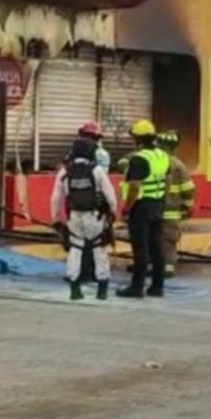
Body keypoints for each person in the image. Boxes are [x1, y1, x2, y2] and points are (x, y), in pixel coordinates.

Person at [50, 139, 118, 301]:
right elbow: (110, 195)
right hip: (95, 216)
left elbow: (55, 198)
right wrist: (113, 213)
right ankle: (102, 290)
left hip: (74, 216)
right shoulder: (97, 170)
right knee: (98, 249)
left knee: (75, 249)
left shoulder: (65, 171)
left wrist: (55, 218)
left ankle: (75, 289)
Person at [117, 119, 170, 299]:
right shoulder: (163, 156)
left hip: (141, 208)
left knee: (140, 249)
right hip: (157, 205)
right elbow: (166, 181)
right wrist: (162, 199)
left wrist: (126, 209)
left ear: (137, 139)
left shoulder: (139, 159)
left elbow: (134, 187)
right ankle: (157, 286)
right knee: (157, 247)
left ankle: (136, 287)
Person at [158, 130, 196, 277]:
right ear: (174, 147)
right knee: (168, 239)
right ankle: (168, 267)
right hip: (171, 210)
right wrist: (187, 206)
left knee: (152, 238)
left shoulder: (151, 161)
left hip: (151, 208)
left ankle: (152, 265)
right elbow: (187, 189)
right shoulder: (178, 165)